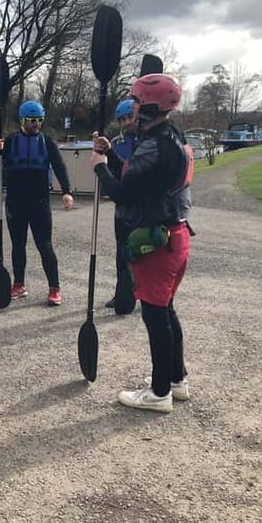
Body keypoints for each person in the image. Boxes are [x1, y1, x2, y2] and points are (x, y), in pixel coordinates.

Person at [90, 73, 193, 413]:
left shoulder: (155, 144)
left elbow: (122, 192)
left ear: (149, 106)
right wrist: (114, 157)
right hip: (176, 237)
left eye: (135, 101)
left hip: (157, 243)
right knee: (167, 311)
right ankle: (176, 380)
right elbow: (140, 176)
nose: (131, 106)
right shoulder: (170, 136)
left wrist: (100, 168)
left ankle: (159, 391)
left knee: (154, 316)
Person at [0, 100, 74, 306]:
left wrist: (66, 191)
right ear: (23, 120)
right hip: (16, 202)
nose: (35, 124)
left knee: (45, 245)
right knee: (18, 245)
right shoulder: (10, 141)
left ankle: (54, 288)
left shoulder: (47, 142)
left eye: (38, 120)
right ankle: (18, 285)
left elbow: (60, 166)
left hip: (40, 202)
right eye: (31, 120)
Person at [104, 98, 138, 315]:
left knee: (145, 252)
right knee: (121, 254)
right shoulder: (117, 142)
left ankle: (147, 294)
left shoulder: (148, 141)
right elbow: (115, 172)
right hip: (122, 207)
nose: (127, 122)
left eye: (130, 117)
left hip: (143, 209)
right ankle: (122, 293)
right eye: (122, 119)